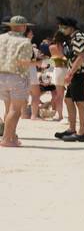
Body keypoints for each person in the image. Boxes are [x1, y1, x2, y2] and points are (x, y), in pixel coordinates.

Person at [0, 16, 39, 147]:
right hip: (16, 76)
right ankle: (6, 139)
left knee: (8, 108)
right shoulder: (24, 41)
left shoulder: (1, 38)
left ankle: (12, 137)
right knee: (15, 110)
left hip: (1, 76)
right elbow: (22, 62)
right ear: (23, 27)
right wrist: (40, 63)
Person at [54, 17, 84, 142]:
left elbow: (81, 56)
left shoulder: (79, 37)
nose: (62, 30)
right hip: (77, 72)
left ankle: (82, 132)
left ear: (71, 27)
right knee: (68, 99)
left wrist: (70, 73)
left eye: (63, 27)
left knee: (79, 102)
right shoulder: (73, 38)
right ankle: (72, 129)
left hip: (80, 72)